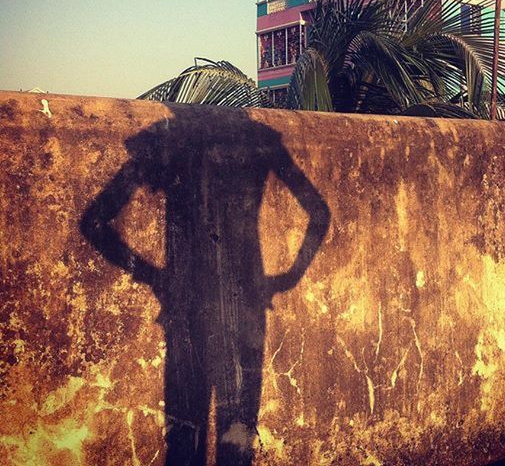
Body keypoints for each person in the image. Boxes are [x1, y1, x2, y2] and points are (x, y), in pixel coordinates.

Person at [81, 108, 330, 465]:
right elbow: (318, 213)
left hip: (187, 302)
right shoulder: (262, 140)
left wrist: (153, 276)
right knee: (238, 436)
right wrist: (286, 278)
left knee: (184, 436)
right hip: (246, 302)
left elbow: (95, 221)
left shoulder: (167, 137)